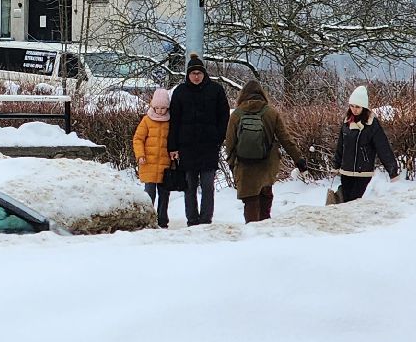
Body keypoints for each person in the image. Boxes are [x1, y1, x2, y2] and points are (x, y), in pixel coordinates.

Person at [224, 79, 313, 223]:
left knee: (250, 202)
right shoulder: (271, 113)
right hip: (266, 165)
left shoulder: (236, 114)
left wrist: (232, 164)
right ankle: (265, 233)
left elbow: (230, 142)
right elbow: (286, 139)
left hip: (245, 166)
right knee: (265, 199)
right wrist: (298, 160)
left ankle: (252, 233)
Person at [167, 54, 229, 226]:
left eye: (199, 73)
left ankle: (206, 219)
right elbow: (174, 121)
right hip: (187, 147)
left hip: (209, 146)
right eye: (192, 73)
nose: (196, 76)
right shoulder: (180, 92)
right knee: (189, 186)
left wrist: (218, 137)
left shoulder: (215, 90)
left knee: (208, 186)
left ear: (204, 74)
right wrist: (172, 146)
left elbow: (224, 116)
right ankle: (192, 220)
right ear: (187, 75)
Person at [332, 85, 399, 203]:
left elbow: (383, 147)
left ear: (363, 107)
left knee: (354, 200)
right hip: (346, 170)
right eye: (352, 106)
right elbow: (341, 145)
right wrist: (336, 165)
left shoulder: (372, 124)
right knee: (346, 202)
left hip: (363, 171)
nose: (354, 109)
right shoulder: (346, 122)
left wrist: (392, 170)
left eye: (357, 106)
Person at [131, 87, 175, 228]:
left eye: (163, 108)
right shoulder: (147, 120)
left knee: (164, 194)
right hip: (148, 163)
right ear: (152, 106)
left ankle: (162, 220)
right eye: (157, 107)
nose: (160, 111)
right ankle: (148, 220)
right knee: (149, 194)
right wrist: (140, 155)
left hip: (165, 164)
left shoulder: (171, 121)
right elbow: (138, 139)